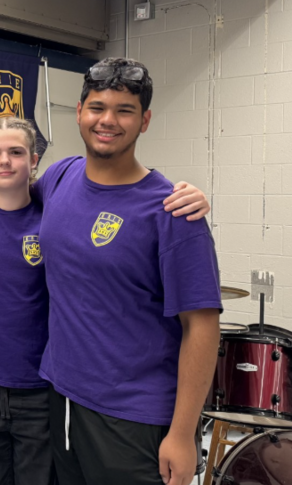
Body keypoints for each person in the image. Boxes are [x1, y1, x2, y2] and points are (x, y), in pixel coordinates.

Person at [0, 115, 212, 485]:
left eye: (16, 152)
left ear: (35, 161)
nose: (5, 161)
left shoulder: (55, 212)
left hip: (44, 387)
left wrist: (185, 194)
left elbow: (119, 193)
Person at [35, 58, 221, 485]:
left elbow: (203, 327)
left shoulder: (173, 211)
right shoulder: (60, 177)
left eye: (125, 110)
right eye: (98, 107)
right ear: (79, 111)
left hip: (133, 417)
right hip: (63, 397)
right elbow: (13, 203)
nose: (108, 120)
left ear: (145, 121)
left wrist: (182, 434)